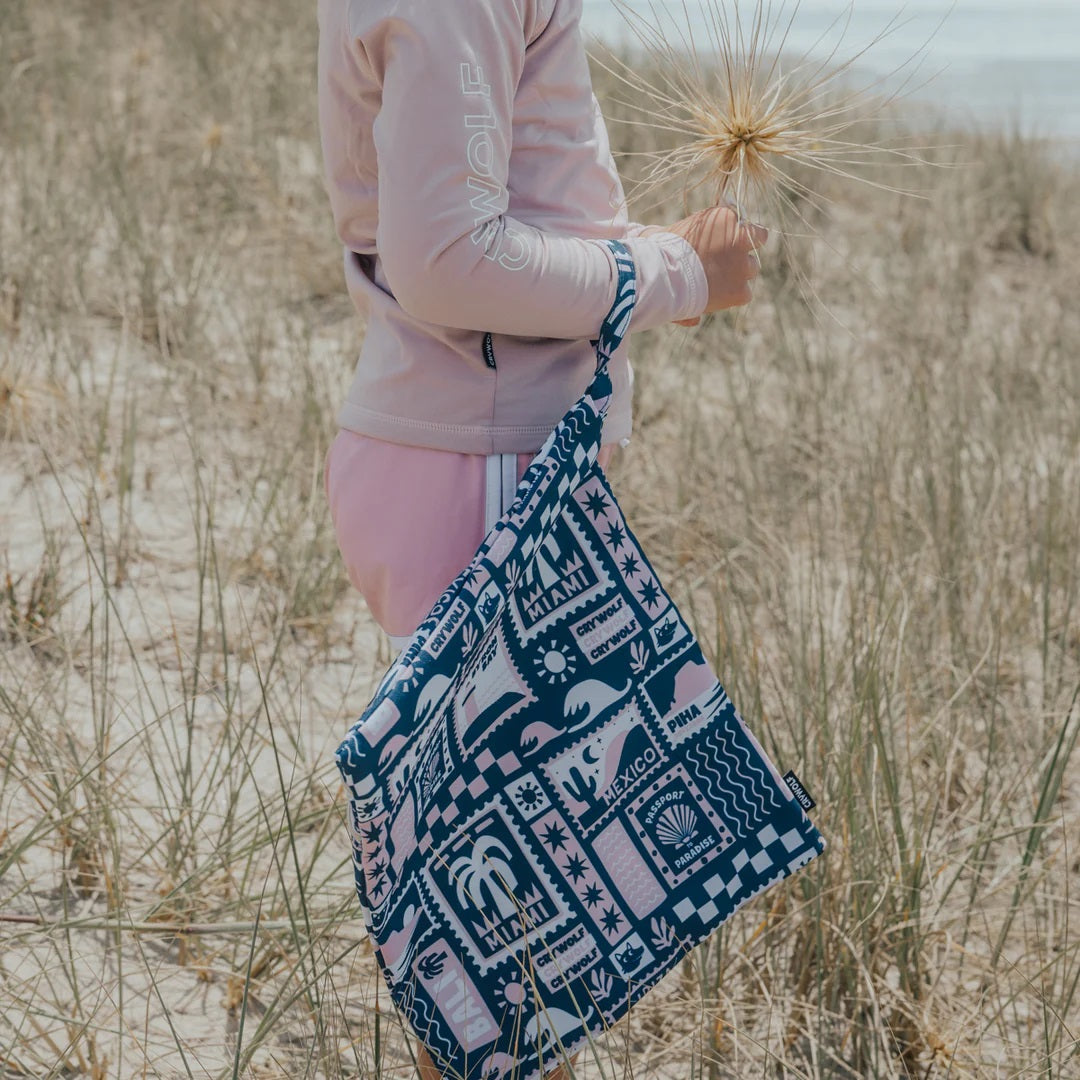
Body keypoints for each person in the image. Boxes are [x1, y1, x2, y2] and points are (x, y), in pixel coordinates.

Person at [316, 1, 765, 1076]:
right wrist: (672, 274)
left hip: (463, 454)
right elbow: (446, 258)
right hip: (480, 468)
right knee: (513, 967)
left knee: (507, 943)